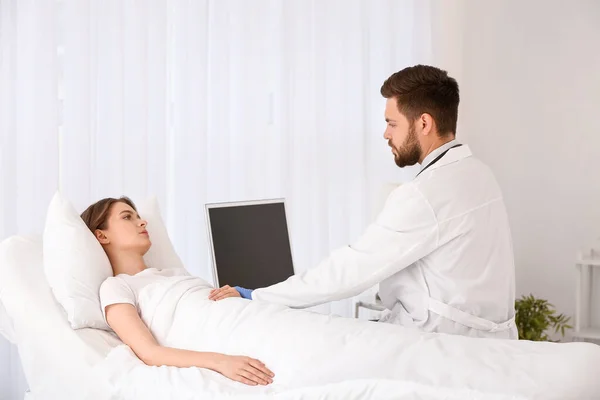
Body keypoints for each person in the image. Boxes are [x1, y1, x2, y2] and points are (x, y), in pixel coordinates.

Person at [210, 64, 517, 340]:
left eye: (392, 123)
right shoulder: (477, 173)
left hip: (442, 341)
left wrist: (258, 297)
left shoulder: (425, 194)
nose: (385, 134)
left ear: (424, 123)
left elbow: (350, 270)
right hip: (481, 337)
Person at [81, 197, 275, 387]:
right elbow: (149, 352)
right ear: (102, 236)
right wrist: (222, 362)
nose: (142, 222)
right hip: (237, 342)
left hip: (254, 317)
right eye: (127, 217)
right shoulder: (117, 286)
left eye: (138, 216)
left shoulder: (175, 273)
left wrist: (240, 294)